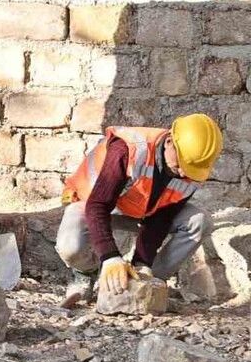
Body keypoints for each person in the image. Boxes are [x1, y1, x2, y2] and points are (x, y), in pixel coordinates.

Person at [57, 113, 221, 306]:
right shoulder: (128, 149)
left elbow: (161, 218)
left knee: (199, 221)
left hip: (141, 211)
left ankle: (147, 282)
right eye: (183, 164)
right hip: (92, 205)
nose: (185, 173)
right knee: (70, 246)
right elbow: (98, 206)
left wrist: (142, 263)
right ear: (169, 141)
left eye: (192, 168)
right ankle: (85, 274)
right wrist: (110, 258)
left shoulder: (190, 170)